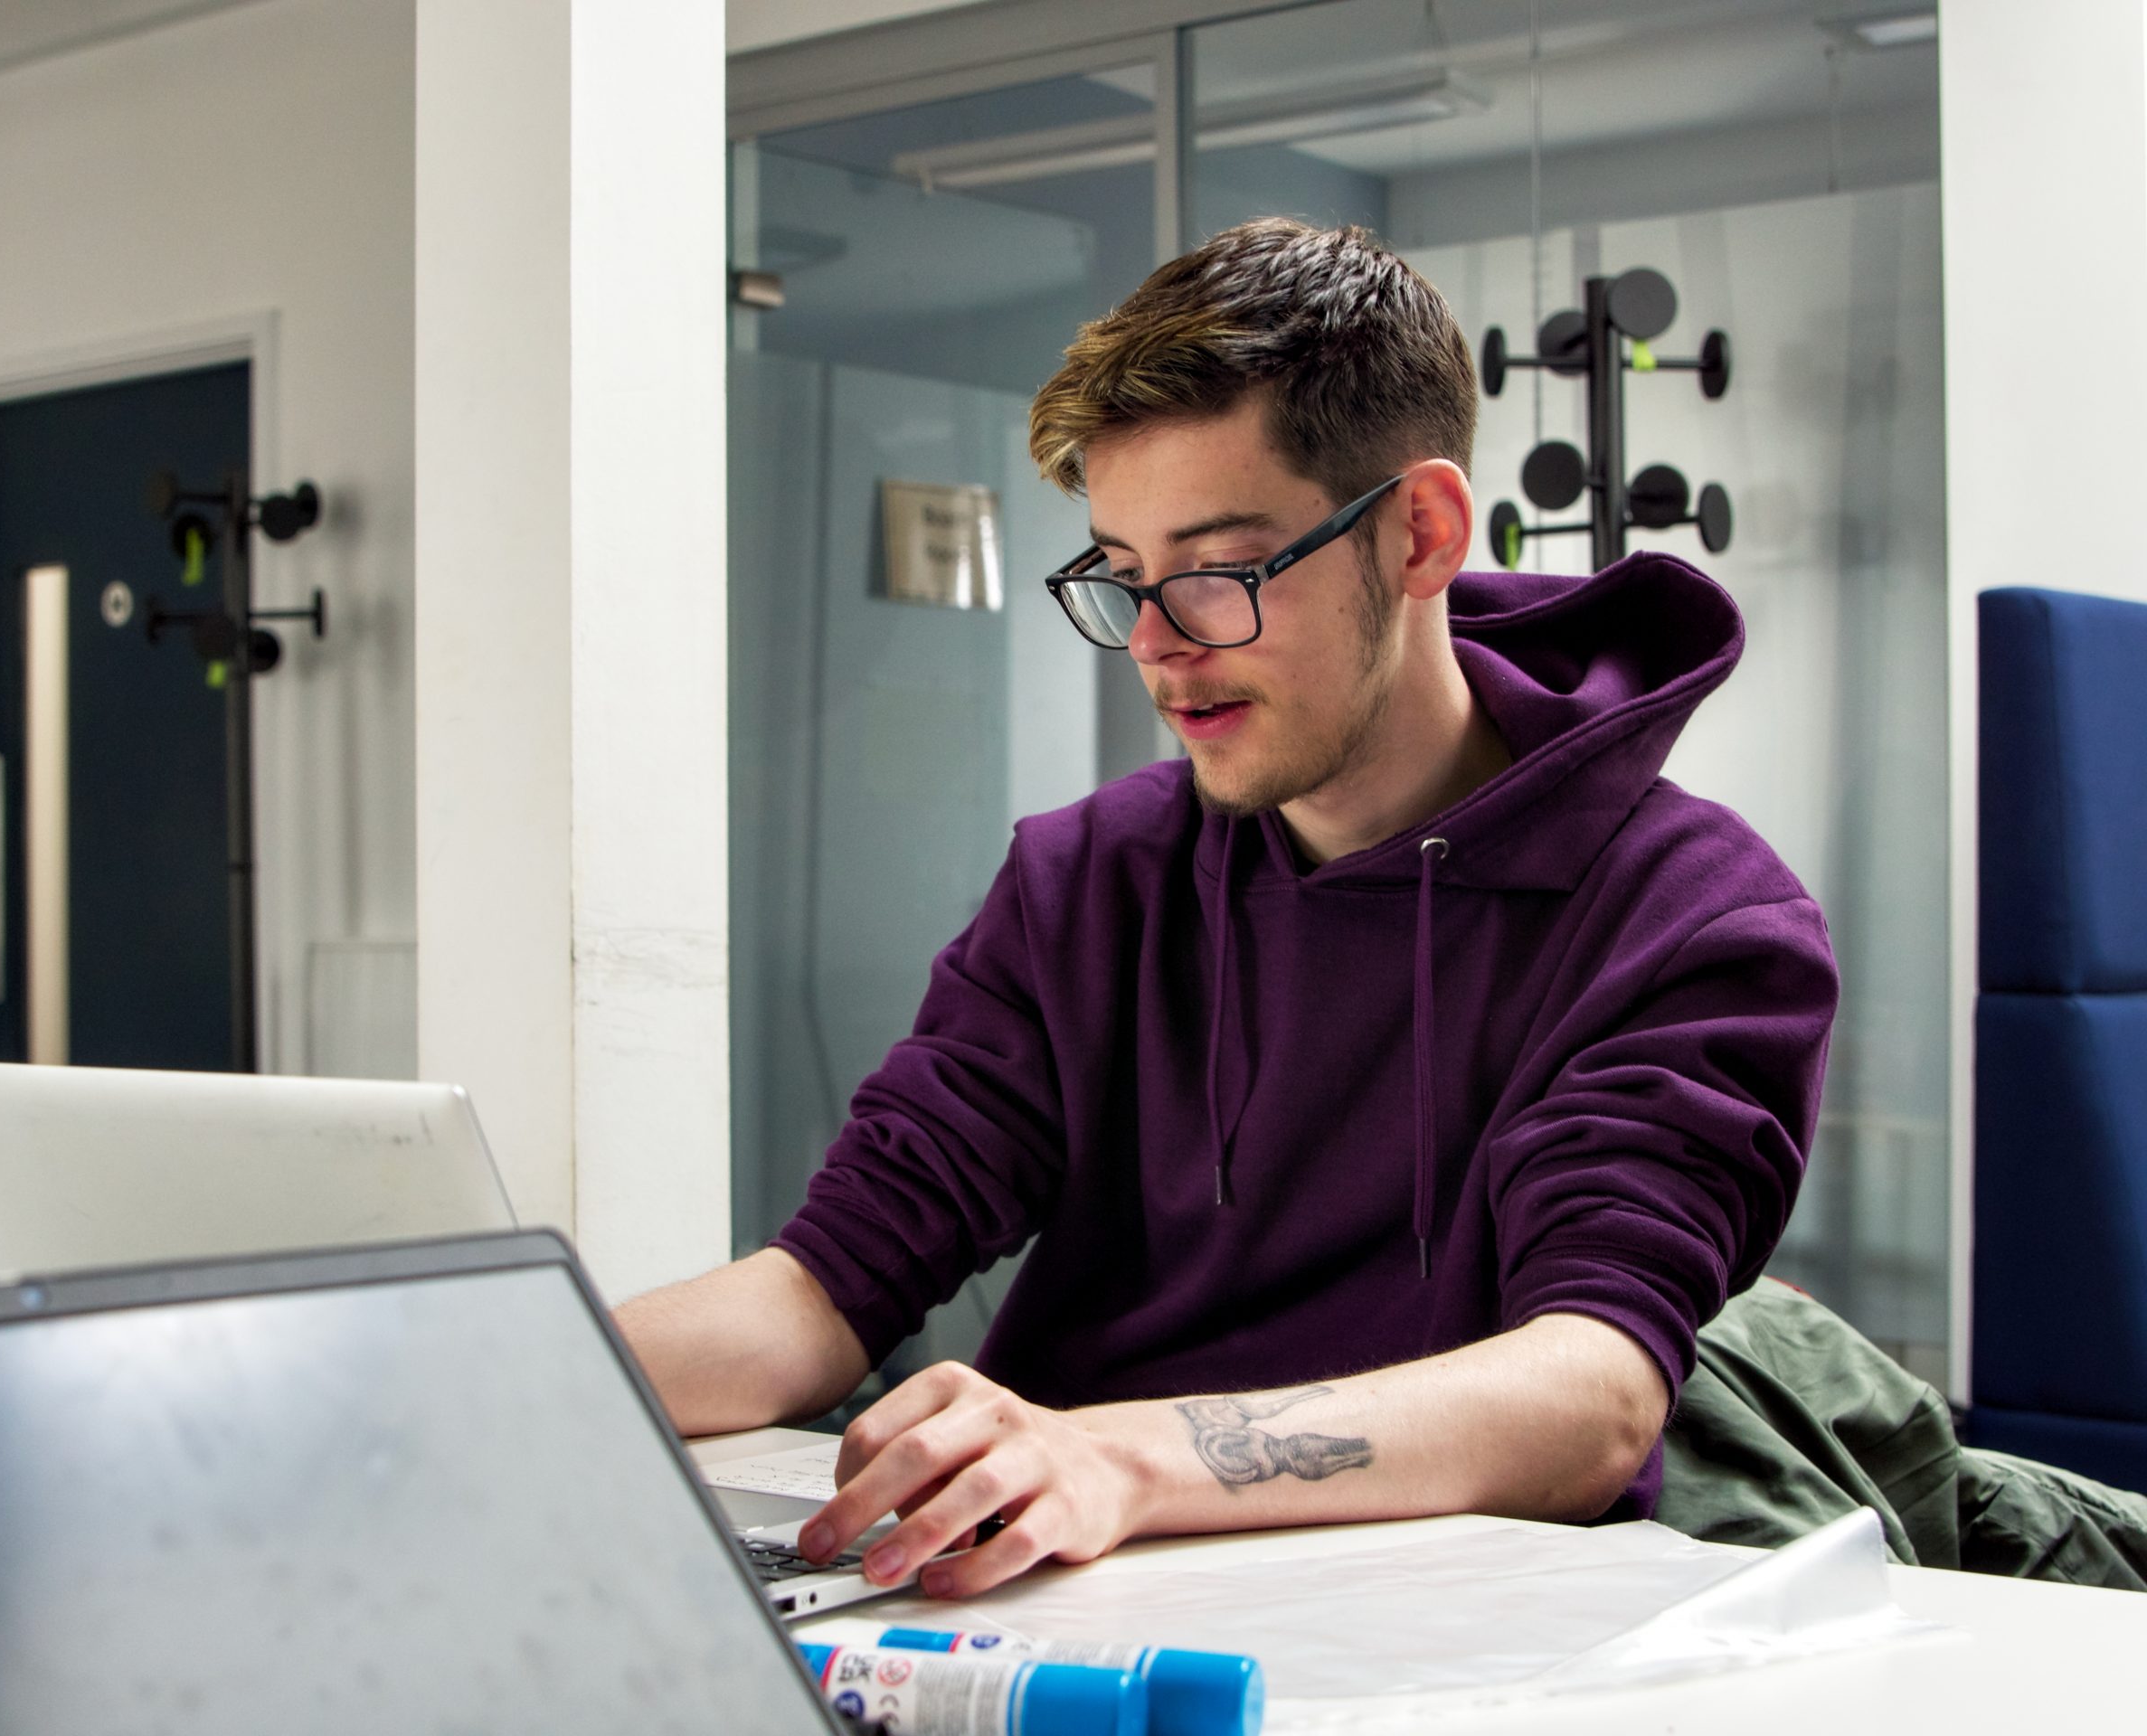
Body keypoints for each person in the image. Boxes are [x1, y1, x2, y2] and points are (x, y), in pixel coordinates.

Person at [618, 218, 1838, 1600]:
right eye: (1126, 578)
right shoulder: (1088, 881)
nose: (1157, 646)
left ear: (1419, 531)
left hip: (1446, 1631)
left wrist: (1123, 1460)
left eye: (1217, 571)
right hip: (1049, 1600)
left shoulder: (1690, 917)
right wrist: (465, 1379)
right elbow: (825, 1292)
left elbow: (1591, 1391)